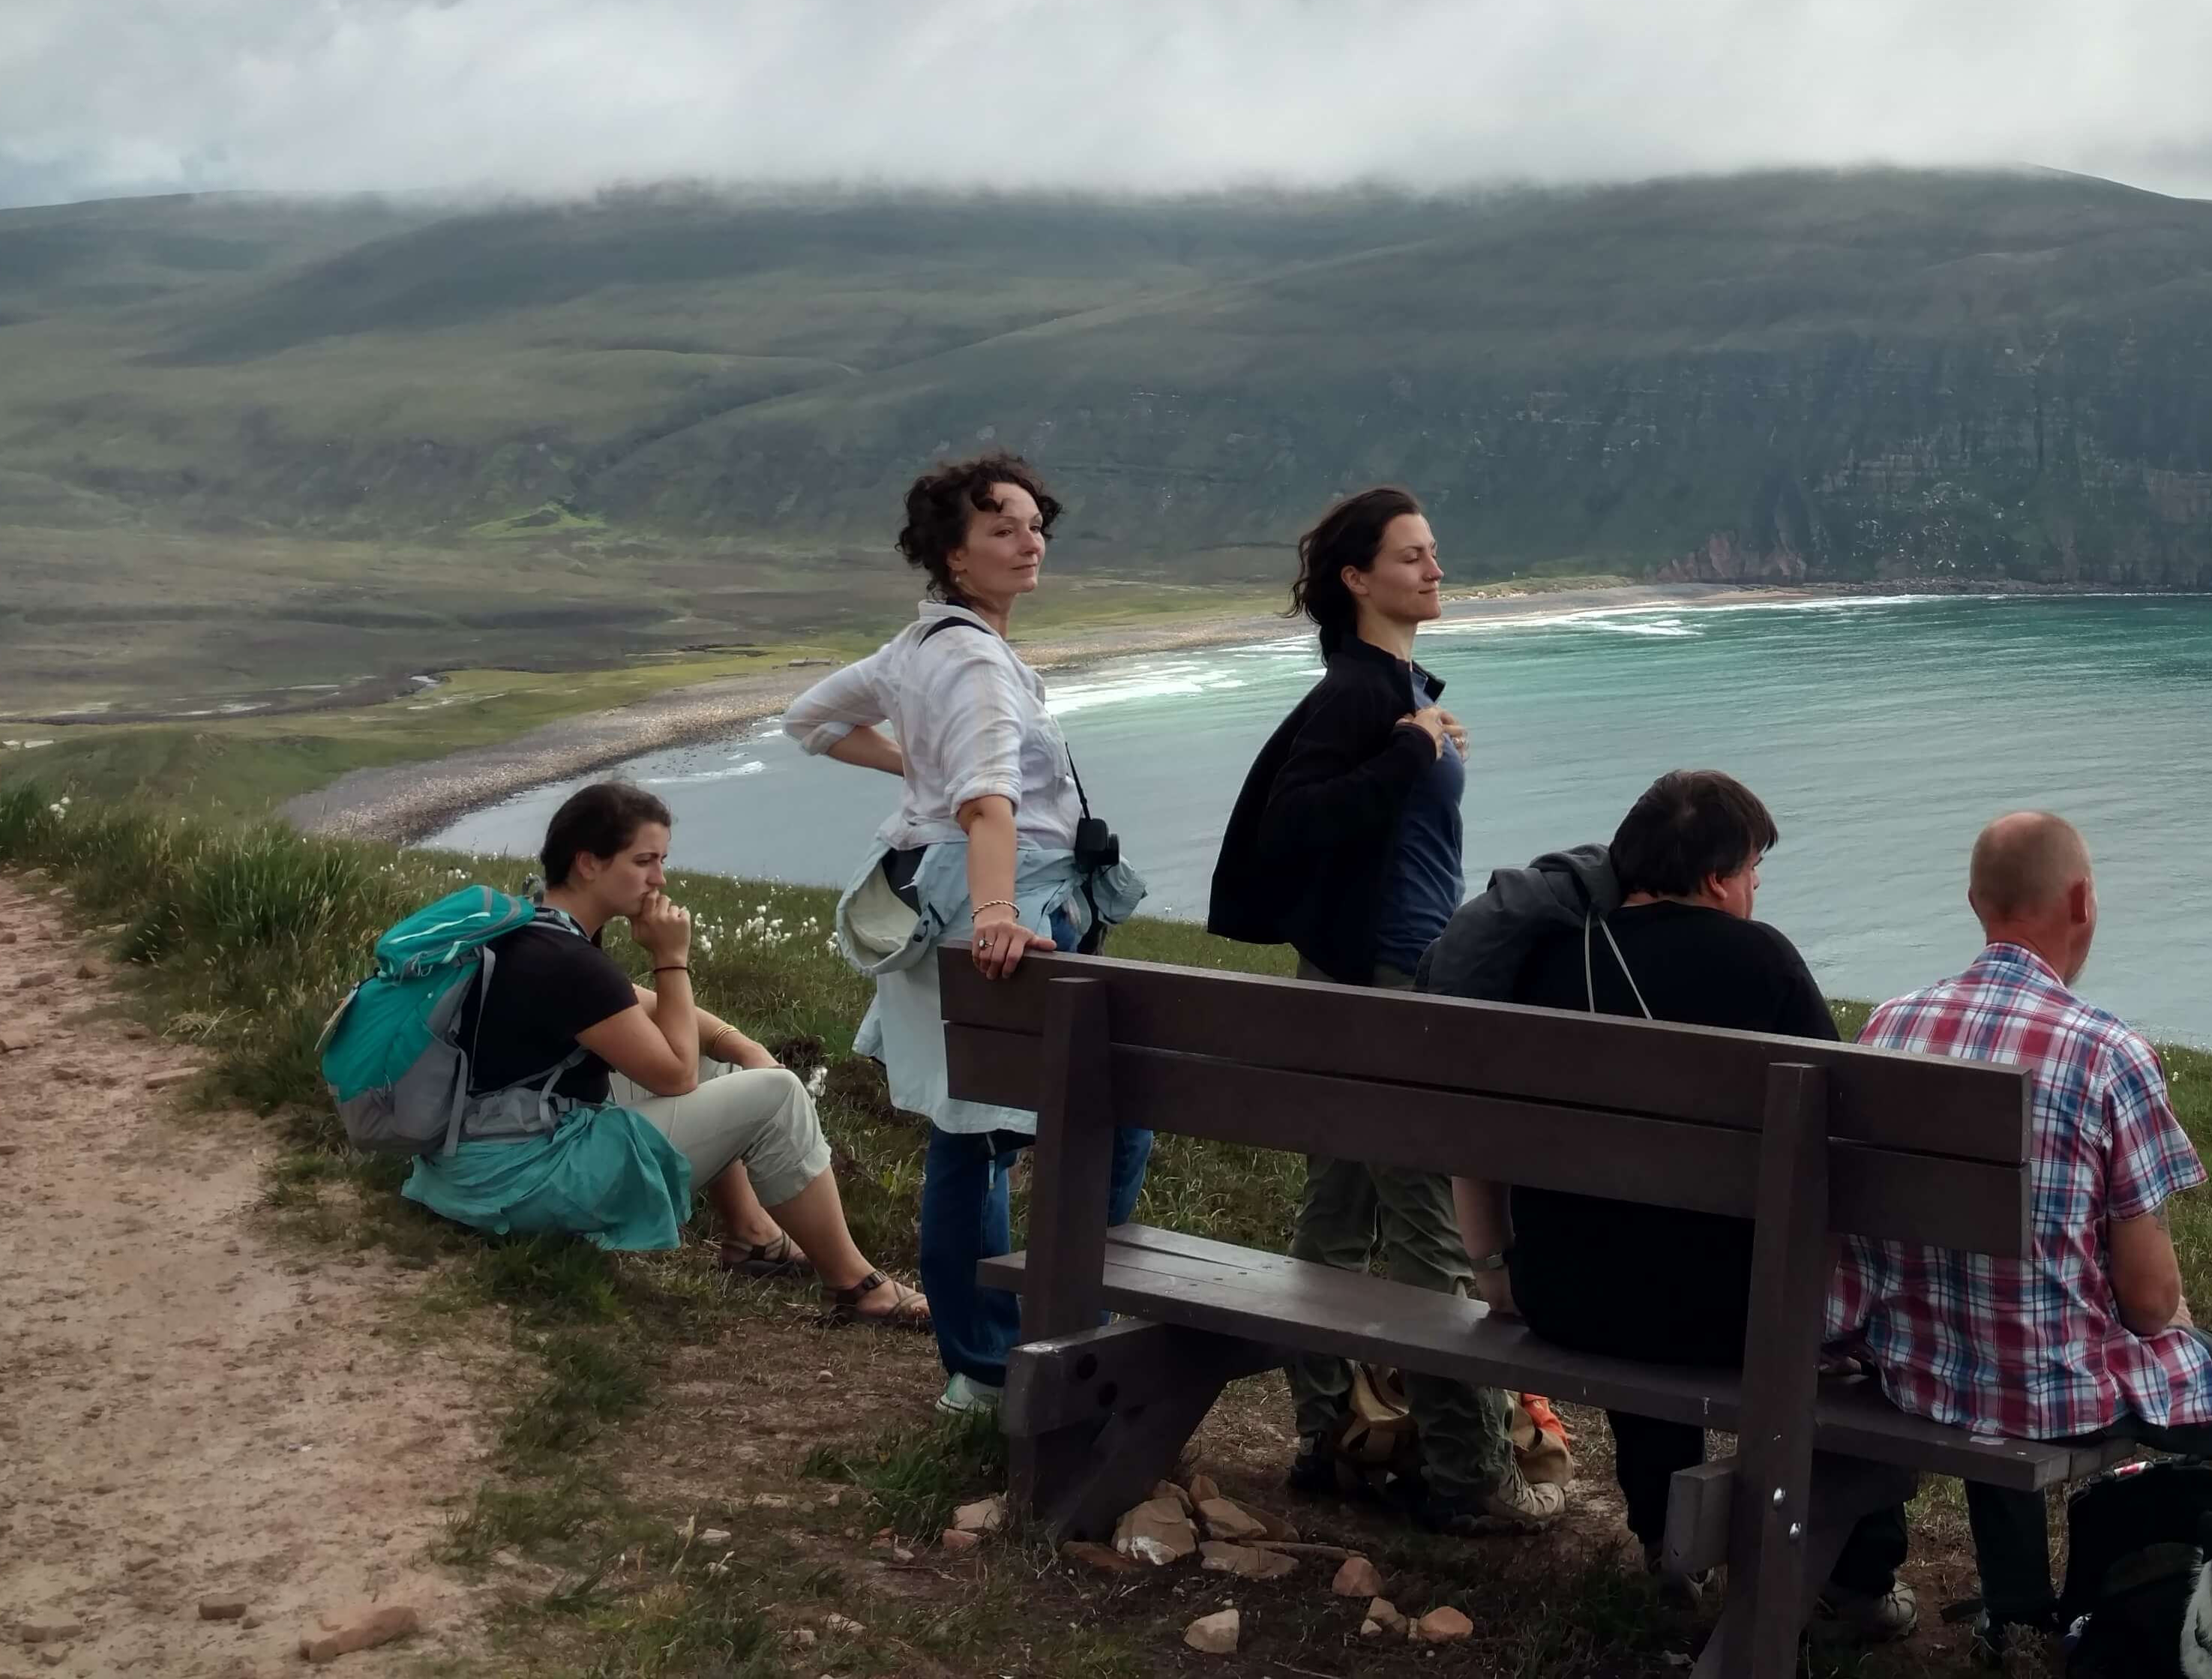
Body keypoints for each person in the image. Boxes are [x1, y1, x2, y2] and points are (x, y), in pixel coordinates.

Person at [1830, 811, 2212, 1630]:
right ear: (2083, 902)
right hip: (2049, 1387)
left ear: (1974, 901)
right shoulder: (2105, 1052)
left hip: (1923, 1363)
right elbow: (2145, 1300)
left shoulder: (1891, 1025)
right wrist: (2167, 1317)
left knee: (1998, 1333)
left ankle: (2020, 1614)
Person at [1455, 771, 1915, 1638]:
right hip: (1734, 1319)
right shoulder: (1762, 960)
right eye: (1752, 873)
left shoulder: (1549, 958)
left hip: (1566, 1297)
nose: (1753, 892)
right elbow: (1850, 1142)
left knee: (1632, 1245)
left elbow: (1473, 1138)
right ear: (1715, 880)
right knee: (1836, 1338)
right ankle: (1857, 1580)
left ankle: (1665, 1542)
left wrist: (1497, 1276)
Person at [1204, 486, 1555, 1533]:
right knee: (1428, 1229)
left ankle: (1328, 1437)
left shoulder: (1388, 683)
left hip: (1366, 979)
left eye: (1435, 553)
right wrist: (1411, 750)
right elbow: (1290, 824)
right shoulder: (1364, 697)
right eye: (1412, 557)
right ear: (1358, 579)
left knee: (1340, 1214)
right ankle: (1463, 1474)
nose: (1435, 570)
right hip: (1389, 987)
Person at [783, 451, 1152, 1416]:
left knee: (968, 1132)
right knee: (1093, 1115)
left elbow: (809, 721)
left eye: (1035, 525)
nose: (1029, 542)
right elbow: (990, 805)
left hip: (925, 888)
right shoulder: (980, 665)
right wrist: (995, 915)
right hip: (1003, 899)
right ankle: (1026, 1344)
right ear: (952, 555)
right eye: (1002, 528)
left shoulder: (918, 649)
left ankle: (980, 1362)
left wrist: (918, 770)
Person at [415, 779, 929, 1325]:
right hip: (515, 1185)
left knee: (721, 1065)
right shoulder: (564, 962)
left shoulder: (533, 928)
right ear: (588, 863)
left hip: (469, 1165)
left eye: (662, 859)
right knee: (773, 1096)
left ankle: (753, 1237)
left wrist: (741, 1044)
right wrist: (671, 957)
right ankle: (856, 1285)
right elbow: (676, 1076)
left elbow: (637, 1006)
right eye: (644, 861)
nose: (660, 878)